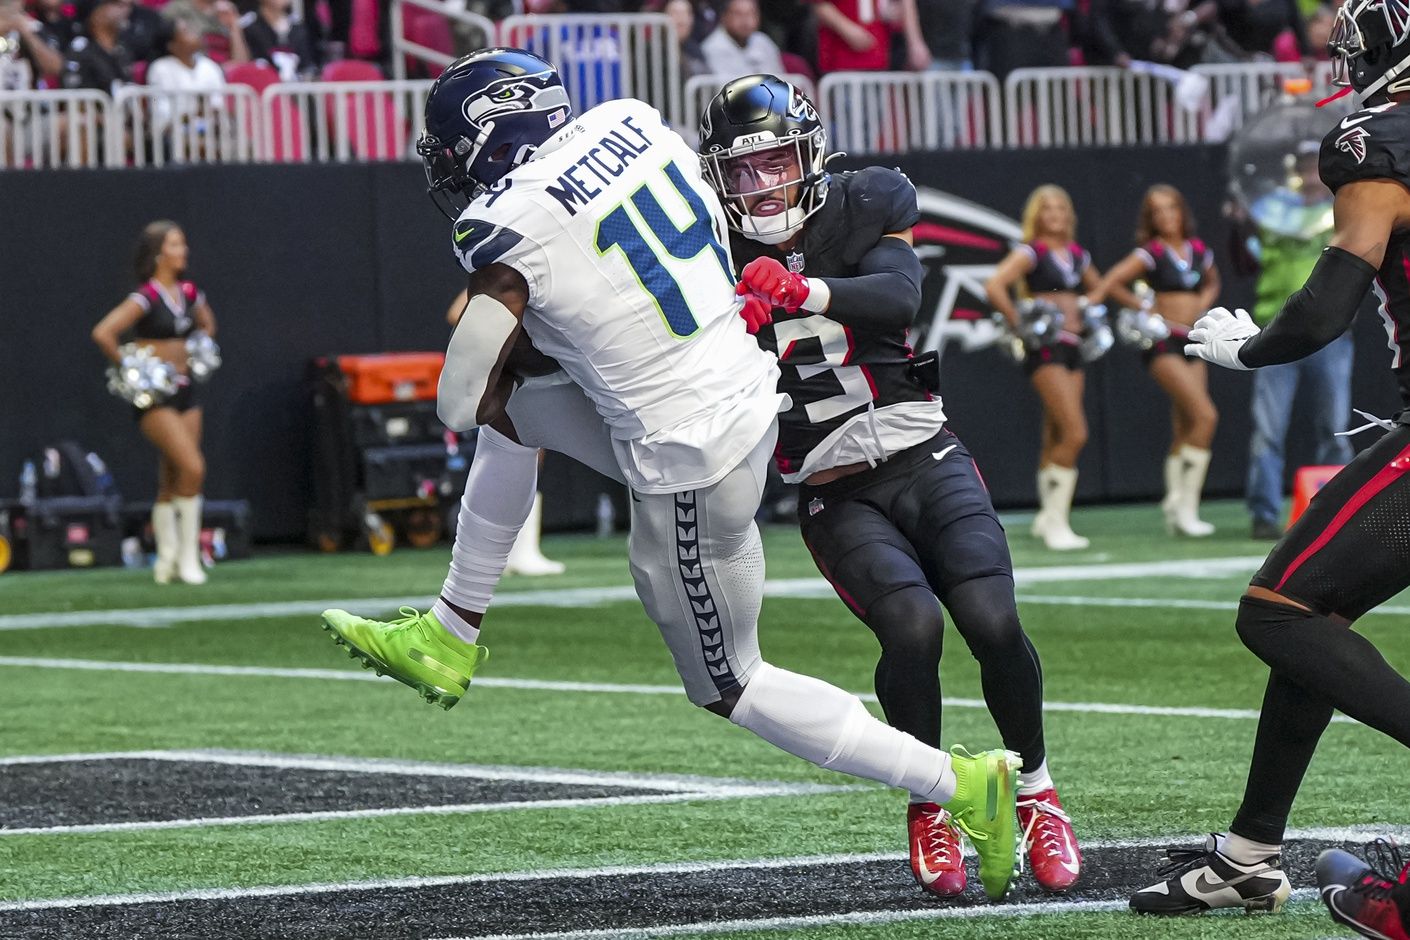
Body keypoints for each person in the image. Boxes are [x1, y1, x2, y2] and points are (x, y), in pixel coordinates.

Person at [319, 49, 1021, 903]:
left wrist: (509, 314)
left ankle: (962, 784)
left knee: (730, 682)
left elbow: (456, 400)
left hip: (687, 454)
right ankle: (450, 630)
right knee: (518, 412)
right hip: (741, 394)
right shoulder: (631, 119)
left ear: (481, 138)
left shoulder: (504, 226)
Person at [700, 74, 1079, 898]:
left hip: (923, 453)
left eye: (774, 162)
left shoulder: (865, 202)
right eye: (741, 171)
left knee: (991, 617)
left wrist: (804, 290)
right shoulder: (705, 251)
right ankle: (930, 801)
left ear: (809, 151)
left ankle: (1041, 791)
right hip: (834, 485)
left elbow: (900, 294)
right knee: (910, 629)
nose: (761, 184)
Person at [1129, 4, 1410, 933]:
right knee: (1313, 613)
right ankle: (1247, 858)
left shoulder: (1379, 137)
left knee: (1276, 612)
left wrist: (1251, 352)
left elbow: (1333, 296)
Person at [1230, 142, 1353, 540]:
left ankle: (1340, 513)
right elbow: (1246, 263)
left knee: (1335, 426)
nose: (1309, 173)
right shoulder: (1273, 211)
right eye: (1303, 166)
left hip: (1327, 330)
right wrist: (1239, 224)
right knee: (1269, 429)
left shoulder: (1343, 208)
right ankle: (1264, 514)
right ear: (1295, 170)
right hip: (1274, 330)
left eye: (1314, 166)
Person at [91, 221, 216, 586]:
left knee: (172, 477)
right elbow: (104, 333)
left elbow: (208, 325)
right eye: (176, 244)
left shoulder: (190, 293)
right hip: (155, 394)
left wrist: (196, 349)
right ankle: (187, 558)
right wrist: (133, 367)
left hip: (187, 389)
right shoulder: (146, 296)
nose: (184, 251)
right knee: (193, 467)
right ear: (159, 252)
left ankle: (169, 561)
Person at [1098, 185, 1223, 537]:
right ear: (1151, 219)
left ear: (1182, 212)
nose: (1167, 215)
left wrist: (1204, 299)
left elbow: (1213, 281)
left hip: (1193, 338)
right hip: (1163, 340)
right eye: (1158, 211)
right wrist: (1144, 305)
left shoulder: (1199, 250)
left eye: (1172, 208)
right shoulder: (1150, 253)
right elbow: (1113, 283)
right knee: (1205, 415)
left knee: (1186, 423)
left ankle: (1175, 504)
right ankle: (1186, 508)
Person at [986, 185, 1104, 551]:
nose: (1055, 213)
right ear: (1036, 215)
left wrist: (1085, 305)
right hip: (1048, 346)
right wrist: (1020, 323)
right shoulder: (1031, 251)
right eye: (1047, 208)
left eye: (1061, 208)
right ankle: (1056, 521)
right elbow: (995, 285)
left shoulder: (1076, 254)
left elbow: (1098, 289)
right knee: (1075, 431)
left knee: (1055, 432)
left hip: (1075, 346)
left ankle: (1045, 518)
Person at [445, 287, 564, 577]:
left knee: (532, 450)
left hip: (528, 373)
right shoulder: (507, 273)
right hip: (509, 376)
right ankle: (511, 552)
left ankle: (523, 550)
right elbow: (456, 312)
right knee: (516, 447)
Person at [700, 0, 783, 78]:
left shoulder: (764, 42)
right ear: (724, 16)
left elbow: (781, 79)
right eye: (738, 14)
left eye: (751, 14)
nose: (746, 21)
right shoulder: (713, 47)